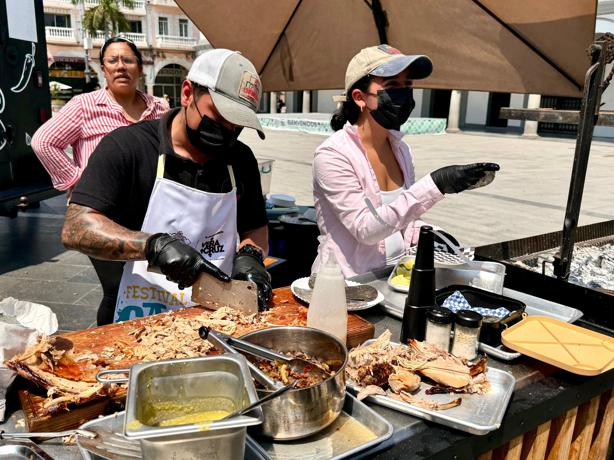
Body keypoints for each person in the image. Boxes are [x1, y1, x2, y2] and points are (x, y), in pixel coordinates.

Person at [61, 48, 272, 325]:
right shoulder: (127, 147)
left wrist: (250, 255)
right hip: (137, 315)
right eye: (219, 118)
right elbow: (76, 227)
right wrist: (154, 246)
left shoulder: (241, 159)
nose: (227, 132)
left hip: (214, 316)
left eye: (238, 126)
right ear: (187, 93)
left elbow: (254, 227)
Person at [312, 45, 499, 277]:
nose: (404, 94)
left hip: (392, 277)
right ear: (360, 98)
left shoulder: (400, 149)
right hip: (344, 285)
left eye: (407, 85)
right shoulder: (333, 155)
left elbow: (401, 222)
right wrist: (435, 185)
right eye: (392, 86)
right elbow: (365, 229)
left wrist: (434, 235)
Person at [32, 36, 169, 194]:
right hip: (99, 207)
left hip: (149, 206)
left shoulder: (159, 107)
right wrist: (77, 180)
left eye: (128, 60)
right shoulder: (83, 105)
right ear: (104, 70)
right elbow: (43, 142)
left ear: (139, 69)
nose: (120, 67)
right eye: (112, 61)